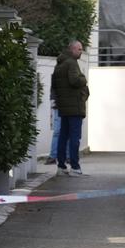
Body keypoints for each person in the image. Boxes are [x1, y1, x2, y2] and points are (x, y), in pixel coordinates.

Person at [51, 40, 88, 176]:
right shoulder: (71, 62)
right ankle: (75, 166)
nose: (81, 52)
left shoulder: (59, 64)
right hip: (74, 107)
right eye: (79, 49)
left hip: (64, 107)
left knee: (63, 136)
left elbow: (54, 84)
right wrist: (84, 79)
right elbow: (75, 80)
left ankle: (61, 166)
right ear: (72, 49)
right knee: (74, 137)